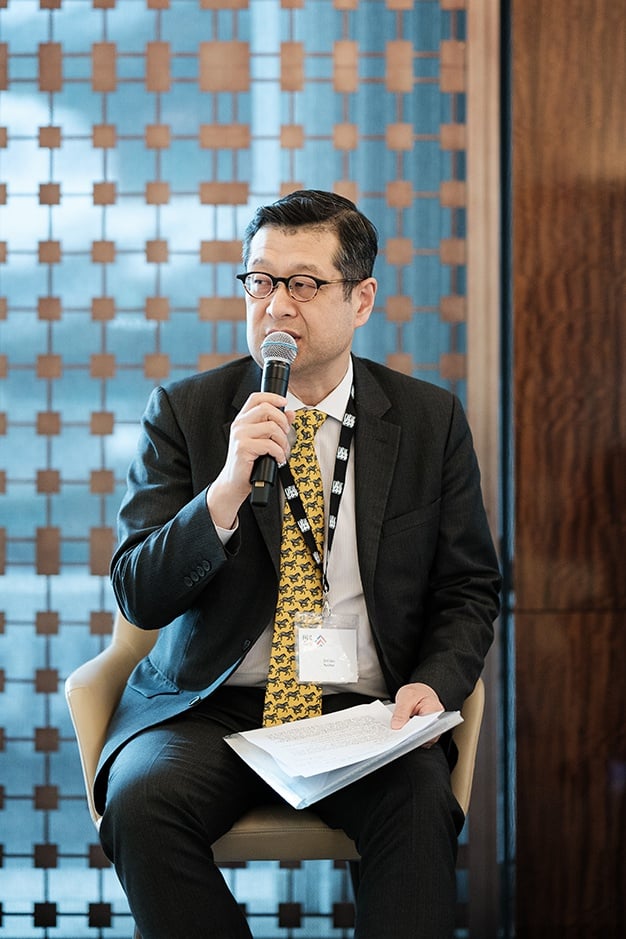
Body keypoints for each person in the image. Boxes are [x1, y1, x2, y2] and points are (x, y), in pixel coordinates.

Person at [97, 189, 501, 939]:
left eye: (304, 284)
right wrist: (224, 491)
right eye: (261, 280)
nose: (276, 305)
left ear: (361, 300)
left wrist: (435, 681)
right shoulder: (187, 412)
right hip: (211, 708)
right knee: (141, 801)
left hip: (364, 710)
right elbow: (138, 594)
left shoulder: (429, 419)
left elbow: (469, 585)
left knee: (420, 802)